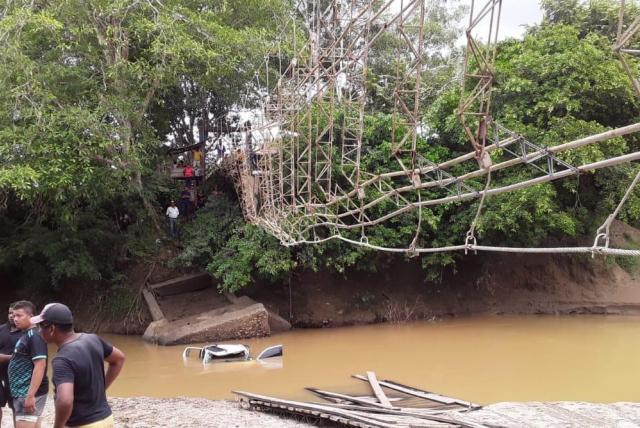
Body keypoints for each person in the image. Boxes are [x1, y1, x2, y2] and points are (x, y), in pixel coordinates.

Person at [33, 303, 126, 428]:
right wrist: (102, 388)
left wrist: (58, 426)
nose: (39, 331)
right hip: (106, 419)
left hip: (82, 423)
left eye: (41, 326)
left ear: (52, 329)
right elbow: (119, 359)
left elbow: (65, 401)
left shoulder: (62, 359)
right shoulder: (93, 339)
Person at [0, 301, 48, 428]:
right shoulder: (25, 334)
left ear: (31, 316)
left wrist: (30, 396)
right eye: (13, 315)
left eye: (19, 316)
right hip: (21, 392)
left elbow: (40, 365)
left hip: (27, 393)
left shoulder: (34, 337)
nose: (15, 319)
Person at [0, 303, 22, 425]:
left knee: (16, 408)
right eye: (9, 313)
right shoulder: (1, 329)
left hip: (16, 377)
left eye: (14, 314)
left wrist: (5, 358)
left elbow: (29, 357)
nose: (11, 316)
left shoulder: (26, 333)